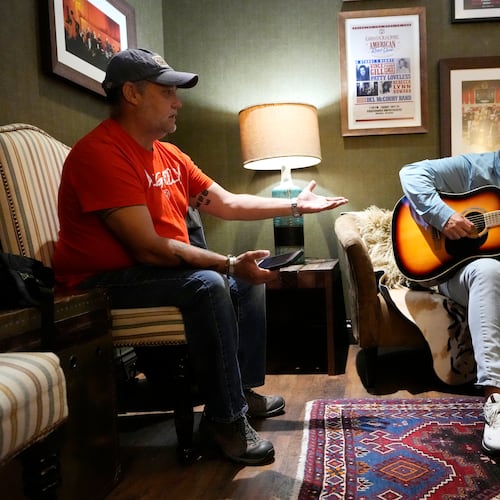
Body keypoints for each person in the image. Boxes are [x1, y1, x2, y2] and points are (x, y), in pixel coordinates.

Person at [53, 48, 349, 466]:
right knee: (210, 283)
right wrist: (226, 263)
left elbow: (227, 203)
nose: (178, 102)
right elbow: (146, 247)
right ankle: (224, 420)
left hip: (153, 271)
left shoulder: (169, 155)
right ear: (132, 94)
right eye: (167, 91)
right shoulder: (101, 153)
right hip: (102, 281)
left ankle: (239, 392)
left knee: (246, 279)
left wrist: (295, 206)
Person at [399, 150, 500, 456]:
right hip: (453, 270)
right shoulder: (478, 168)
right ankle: (496, 400)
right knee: (488, 269)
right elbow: (411, 171)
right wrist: (443, 217)